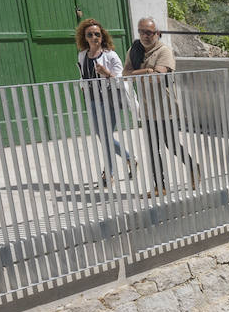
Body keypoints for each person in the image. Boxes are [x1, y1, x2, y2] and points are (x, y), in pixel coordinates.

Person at [122, 16, 200, 197]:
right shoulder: (134, 50)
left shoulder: (164, 51)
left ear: (157, 33)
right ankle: (160, 187)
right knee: (151, 149)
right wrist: (146, 71)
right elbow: (125, 73)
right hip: (148, 110)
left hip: (165, 109)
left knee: (171, 145)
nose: (144, 35)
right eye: (141, 31)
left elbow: (158, 75)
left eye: (148, 32)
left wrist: (144, 72)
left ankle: (193, 167)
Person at [75, 17, 135, 187]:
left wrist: (106, 72)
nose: (94, 37)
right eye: (90, 34)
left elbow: (121, 79)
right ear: (84, 37)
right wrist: (83, 86)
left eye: (97, 34)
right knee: (103, 136)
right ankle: (129, 158)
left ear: (102, 36)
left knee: (106, 135)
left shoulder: (110, 55)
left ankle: (108, 174)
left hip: (111, 100)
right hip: (92, 100)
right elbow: (83, 75)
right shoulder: (82, 55)